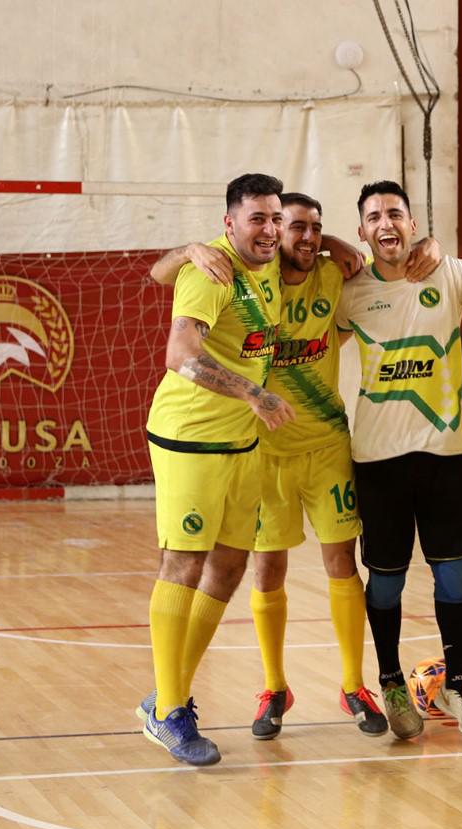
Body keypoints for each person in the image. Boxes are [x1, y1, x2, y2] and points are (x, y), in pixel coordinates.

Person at [145, 197, 443, 742]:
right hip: (264, 448)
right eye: (294, 226)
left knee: (342, 563)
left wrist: (428, 246)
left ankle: (353, 685)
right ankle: (273, 687)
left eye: (315, 228)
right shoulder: (250, 279)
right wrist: (189, 249)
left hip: (326, 444)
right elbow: (163, 275)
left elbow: (389, 266)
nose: (306, 236)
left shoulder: (333, 275)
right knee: (265, 569)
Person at [337, 180, 462, 740]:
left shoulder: (448, 273)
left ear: (412, 223)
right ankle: (390, 679)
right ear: (362, 232)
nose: (386, 223)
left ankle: (458, 683)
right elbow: (308, 332)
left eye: (395, 213)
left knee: (455, 574)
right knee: (386, 582)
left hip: (445, 455)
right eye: (374, 217)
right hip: (378, 459)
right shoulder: (349, 292)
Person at [140, 173, 295, 766]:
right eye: (257, 218)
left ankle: (168, 691)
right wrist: (253, 392)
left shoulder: (270, 263)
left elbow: (157, 269)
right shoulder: (211, 272)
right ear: (229, 223)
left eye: (276, 218)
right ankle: (169, 711)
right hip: (191, 438)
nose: (270, 229)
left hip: (242, 442)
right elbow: (180, 355)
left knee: (229, 566)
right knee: (184, 564)